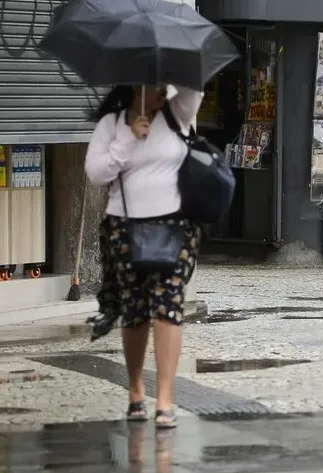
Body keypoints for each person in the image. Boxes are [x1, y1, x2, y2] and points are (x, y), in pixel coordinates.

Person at [84, 84, 202, 428]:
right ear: (135, 86)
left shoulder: (178, 113)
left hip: (175, 226)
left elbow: (195, 86)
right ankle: (136, 389)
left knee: (168, 306)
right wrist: (128, 139)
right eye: (152, 86)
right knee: (135, 310)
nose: (160, 93)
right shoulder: (113, 123)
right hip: (125, 228)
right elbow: (96, 174)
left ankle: (164, 399)